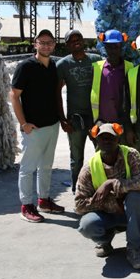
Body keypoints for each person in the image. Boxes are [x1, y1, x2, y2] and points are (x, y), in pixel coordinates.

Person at [74, 122, 140, 269]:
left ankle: (134, 249)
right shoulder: (89, 168)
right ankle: (104, 241)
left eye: (111, 137)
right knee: (87, 225)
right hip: (107, 215)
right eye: (103, 138)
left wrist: (112, 183)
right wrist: (110, 203)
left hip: (130, 212)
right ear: (96, 141)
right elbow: (79, 206)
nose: (107, 141)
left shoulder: (130, 154)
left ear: (118, 139)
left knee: (137, 197)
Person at [10, 29, 64, 222]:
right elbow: (14, 96)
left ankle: (44, 200)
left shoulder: (53, 67)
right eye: (42, 42)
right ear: (36, 44)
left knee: (46, 166)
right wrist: (23, 123)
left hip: (52, 125)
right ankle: (26, 205)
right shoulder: (25, 67)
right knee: (28, 167)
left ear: (54, 45)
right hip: (33, 128)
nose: (46, 45)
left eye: (49, 42)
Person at [57, 29, 102, 193]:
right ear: (67, 45)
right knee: (76, 158)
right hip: (74, 119)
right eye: (71, 40)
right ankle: (78, 190)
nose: (76, 42)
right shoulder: (63, 65)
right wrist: (62, 119)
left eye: (79, 39)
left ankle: (100, 187)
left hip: (96, 117)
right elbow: (56, 93)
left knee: (101, 153)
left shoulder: (96, 60)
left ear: (83, 41)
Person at [91, 29, 134, 146]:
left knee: (124, 158)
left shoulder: (130, 68)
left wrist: (130, 128)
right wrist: (93, 124)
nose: (113, 50)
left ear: (121, 47)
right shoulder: (96, 68)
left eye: (116, 46)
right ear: (105, 47)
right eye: (109, 47)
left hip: (123, 124)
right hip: (101, 124)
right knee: (102, 159)